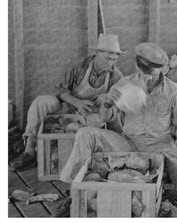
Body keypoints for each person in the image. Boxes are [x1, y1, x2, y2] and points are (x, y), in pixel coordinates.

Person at [59, 42, 177, 217]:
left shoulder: (174, 91)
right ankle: (73, 192)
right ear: (138, 66)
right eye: (144, 72)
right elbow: (103, 119)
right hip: (128, 143)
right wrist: (108, 102)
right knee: (85, 133)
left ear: (162, 68)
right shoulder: (124, 85)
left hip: (160, 146)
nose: (148, 77)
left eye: (152, 73)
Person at [11, 34, 125, 170]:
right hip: (67, 106)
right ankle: (29, 150)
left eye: (114, 59)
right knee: (41, 101)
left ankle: (90, 157)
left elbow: (118, 104)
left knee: (103, 108)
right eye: (107, 58)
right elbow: (58, 89)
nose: (110, 63)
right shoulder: (79, 66)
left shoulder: (116, 75)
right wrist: (76, 102)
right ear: (96, 53)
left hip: (90, 114)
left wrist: (106, 100)